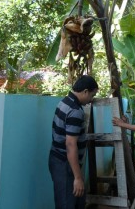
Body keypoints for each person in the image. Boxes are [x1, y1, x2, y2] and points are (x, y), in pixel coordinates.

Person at [49, 75, 98, 209]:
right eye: (92, 95)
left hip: (59, 159)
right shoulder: (75, 111)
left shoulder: (64, 101)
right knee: (67, 204)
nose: (90, 100)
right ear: (85, 91)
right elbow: (70, 145)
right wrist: (77, 177)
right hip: (65, 164)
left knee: (77, 201)